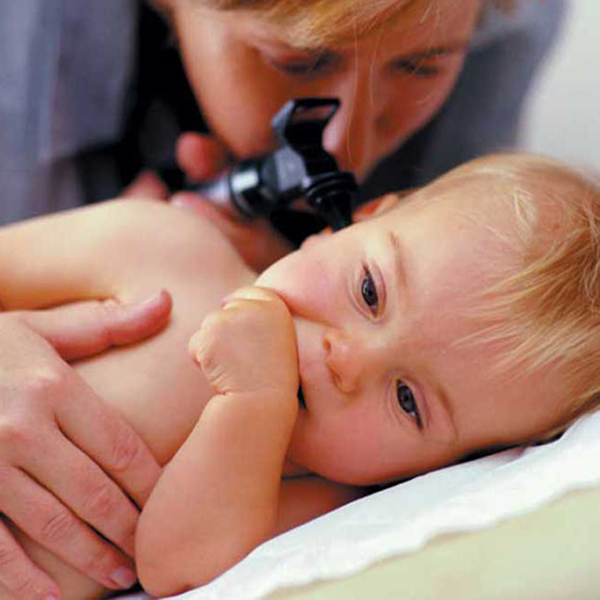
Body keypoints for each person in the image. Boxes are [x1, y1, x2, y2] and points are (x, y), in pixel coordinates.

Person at [0, 0, 568, 598]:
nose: (349, 359)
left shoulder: (315, 485)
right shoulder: (162, 242)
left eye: (407, 401)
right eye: (369, 292)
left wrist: (251, 407)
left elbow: (173, 566)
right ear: (356, 218)